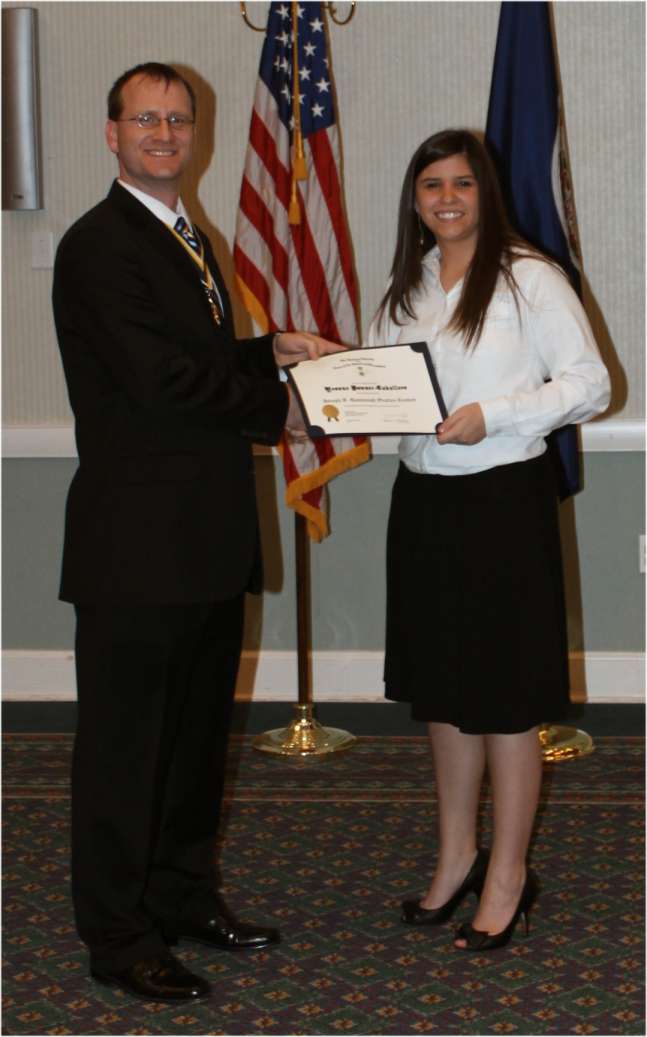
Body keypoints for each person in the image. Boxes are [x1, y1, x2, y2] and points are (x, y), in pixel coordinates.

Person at [52, 62, 344, 1003]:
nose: (166, 133)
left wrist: (272, 352)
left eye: (178, 119)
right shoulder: (100, 244)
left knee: (191, 748)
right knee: (125, 753)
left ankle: (183, 898)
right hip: (137, 550)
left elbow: (194, 357)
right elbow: (158, 382)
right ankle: (119, 932)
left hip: (204, 541)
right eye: (146, 119)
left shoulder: (184, 236)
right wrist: (280, 406)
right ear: (112, 133)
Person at [367, 129, 610, 951]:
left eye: (461, 183)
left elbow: (590, 384)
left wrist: (495, 415)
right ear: (414, 198)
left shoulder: (527, 278)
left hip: (504, 502)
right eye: (430, 183)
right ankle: (454, 856)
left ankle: (508, 872)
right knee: (442, 694)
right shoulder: (403, 288)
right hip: (424, 505)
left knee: (504, 699)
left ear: (485, 193)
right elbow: (378, 393)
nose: (445, 197)